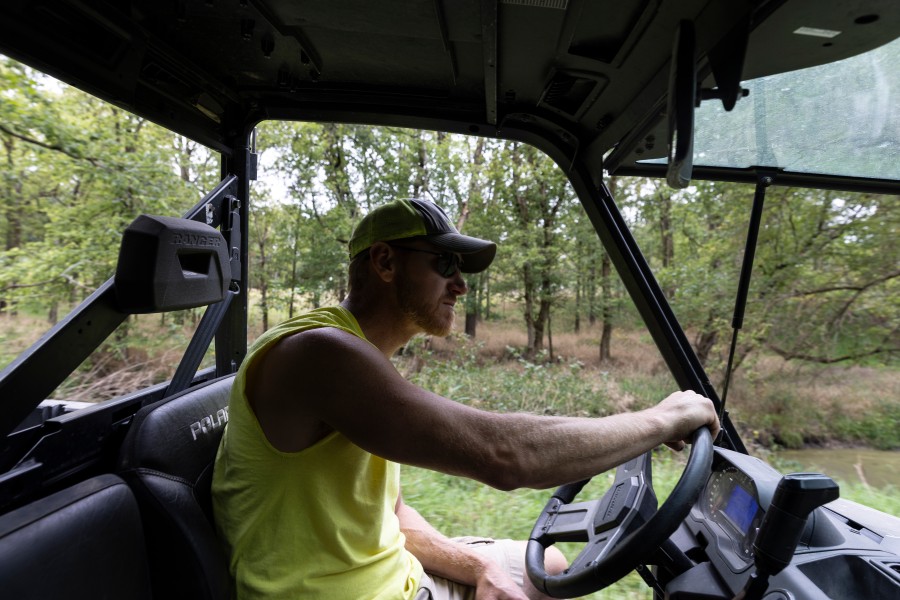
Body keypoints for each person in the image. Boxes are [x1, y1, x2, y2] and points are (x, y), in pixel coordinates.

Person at [211, 198, 720, 600]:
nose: (461, 285)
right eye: (446, 263)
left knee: (553, 567)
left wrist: (482, 569)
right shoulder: (319, 355)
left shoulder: (357, 358)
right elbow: (504, 455)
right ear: (385, 261)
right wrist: (665, 418)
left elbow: (394, 514)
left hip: (397, 578)